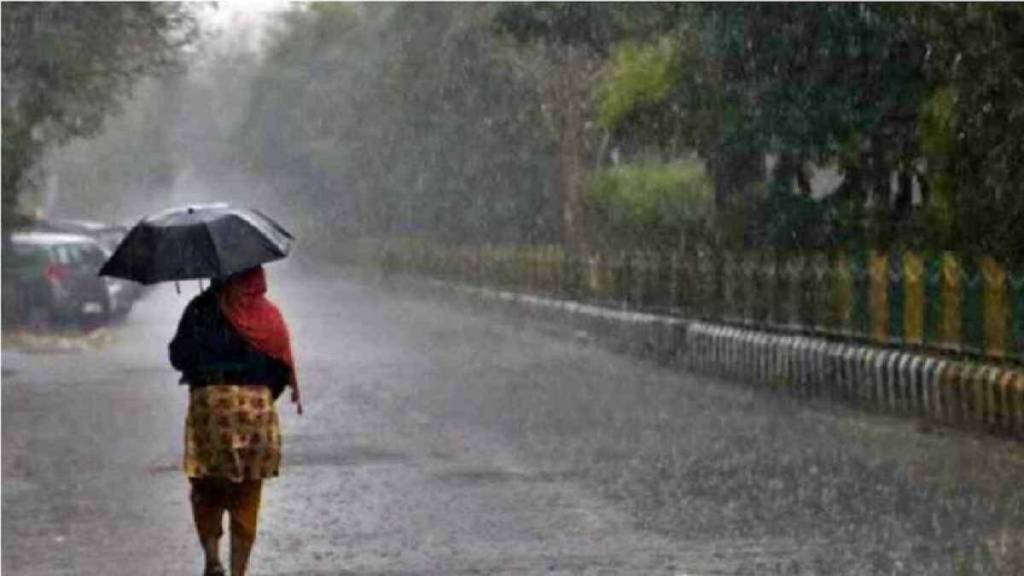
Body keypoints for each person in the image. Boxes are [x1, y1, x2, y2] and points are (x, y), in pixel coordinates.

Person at [169, 265, 302, 576]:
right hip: (256, 411)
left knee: (206, 484)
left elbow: (178, 356)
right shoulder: (268, 315)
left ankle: (213, 559)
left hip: (210, 408)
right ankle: (239, 571)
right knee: (247, 492)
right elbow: (281, 368)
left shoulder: (201, 309)